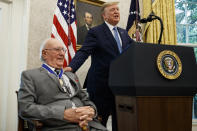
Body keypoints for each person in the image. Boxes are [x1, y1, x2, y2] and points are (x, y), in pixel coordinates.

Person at [64, 2, 135, 131]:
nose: (116, 12)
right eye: (112, 10)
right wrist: (71, 67)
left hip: (121, 86)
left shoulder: (124, 33)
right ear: (104, 16)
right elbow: (84, 51)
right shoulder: (95, 32)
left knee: (120, 121)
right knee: (98, 123)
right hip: (101, 86)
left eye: (117, 9)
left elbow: (133, 52)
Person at [17, 38, 107, 131]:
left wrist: (91, 111)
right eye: (57, 49)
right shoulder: (30, 75)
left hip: (89, 124)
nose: (62, 53)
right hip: (60, 126)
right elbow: (25, 108)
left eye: (63, 50)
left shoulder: (71, 75)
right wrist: (63, 114)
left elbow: (85, 99)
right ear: (44, 54)